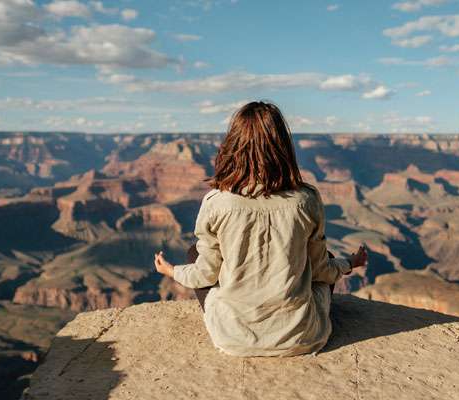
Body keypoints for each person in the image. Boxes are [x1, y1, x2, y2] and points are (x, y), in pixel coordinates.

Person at [153, 101, 367, 357]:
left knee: (194, 254)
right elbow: (321, 270)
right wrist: (349, 263)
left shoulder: (216, 202)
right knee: (328, 258)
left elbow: (205, 275)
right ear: (283, 147)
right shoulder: (306, 199)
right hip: (302, 337)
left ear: (233, 146)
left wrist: (172, 271)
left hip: (232, 338)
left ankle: (238, 321)